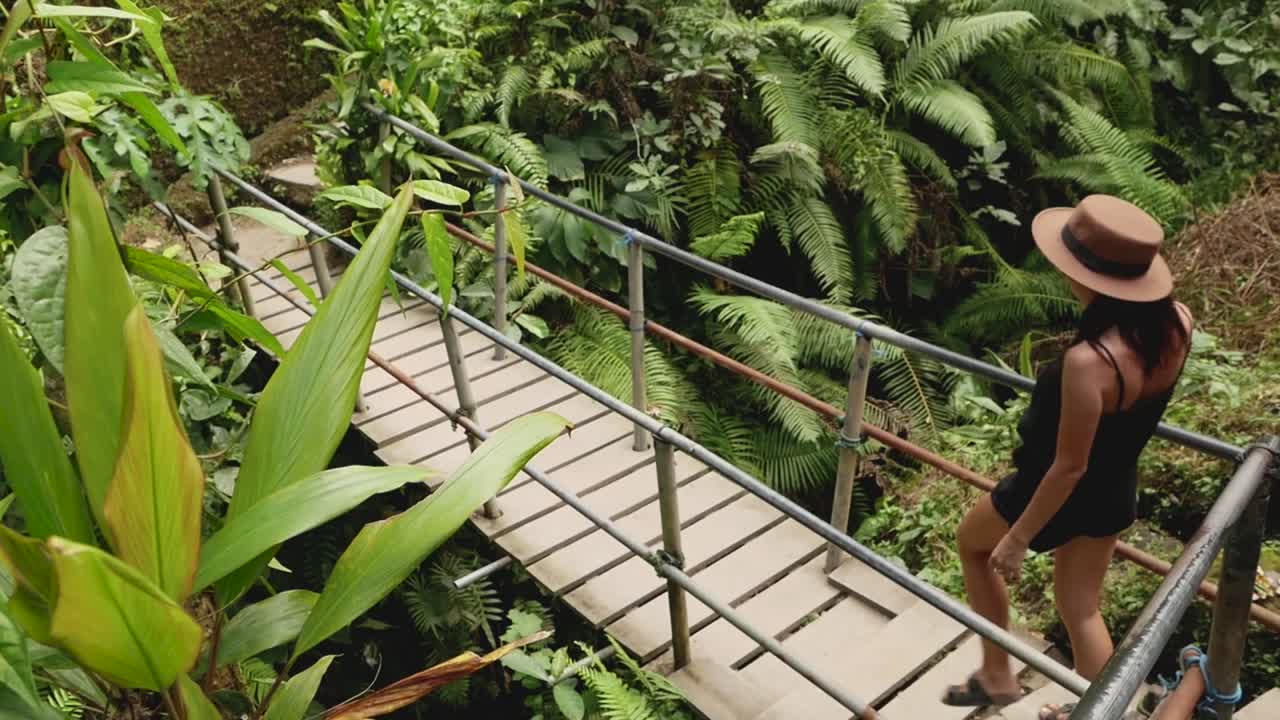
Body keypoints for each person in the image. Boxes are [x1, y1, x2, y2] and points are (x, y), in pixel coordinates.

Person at [940, 195, 1194, 720]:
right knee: (1082, 609)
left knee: (972, 545)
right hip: (1115, 489)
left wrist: (1017, 539)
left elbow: (1068, 466)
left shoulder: (1090, 362)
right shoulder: (1179, 324)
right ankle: (1103, 711)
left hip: (1050, 492)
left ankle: (996, 672)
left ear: (1093, 280)